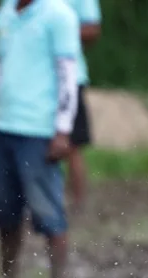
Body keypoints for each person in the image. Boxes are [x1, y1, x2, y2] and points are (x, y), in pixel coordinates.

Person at [0, 0, 81, 278]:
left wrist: (62, 129)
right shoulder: (6, 12)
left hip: (39, 131)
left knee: (48, 211)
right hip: (3, 127)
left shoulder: (59, 15)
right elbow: (0, 74)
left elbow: (67, 75)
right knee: (4, 211)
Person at [63, 0, 101, 211]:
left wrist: (57, 31)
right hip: (32, 81)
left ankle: (77, 204)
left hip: (69, 77)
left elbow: (92, 29)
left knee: (72, 143)